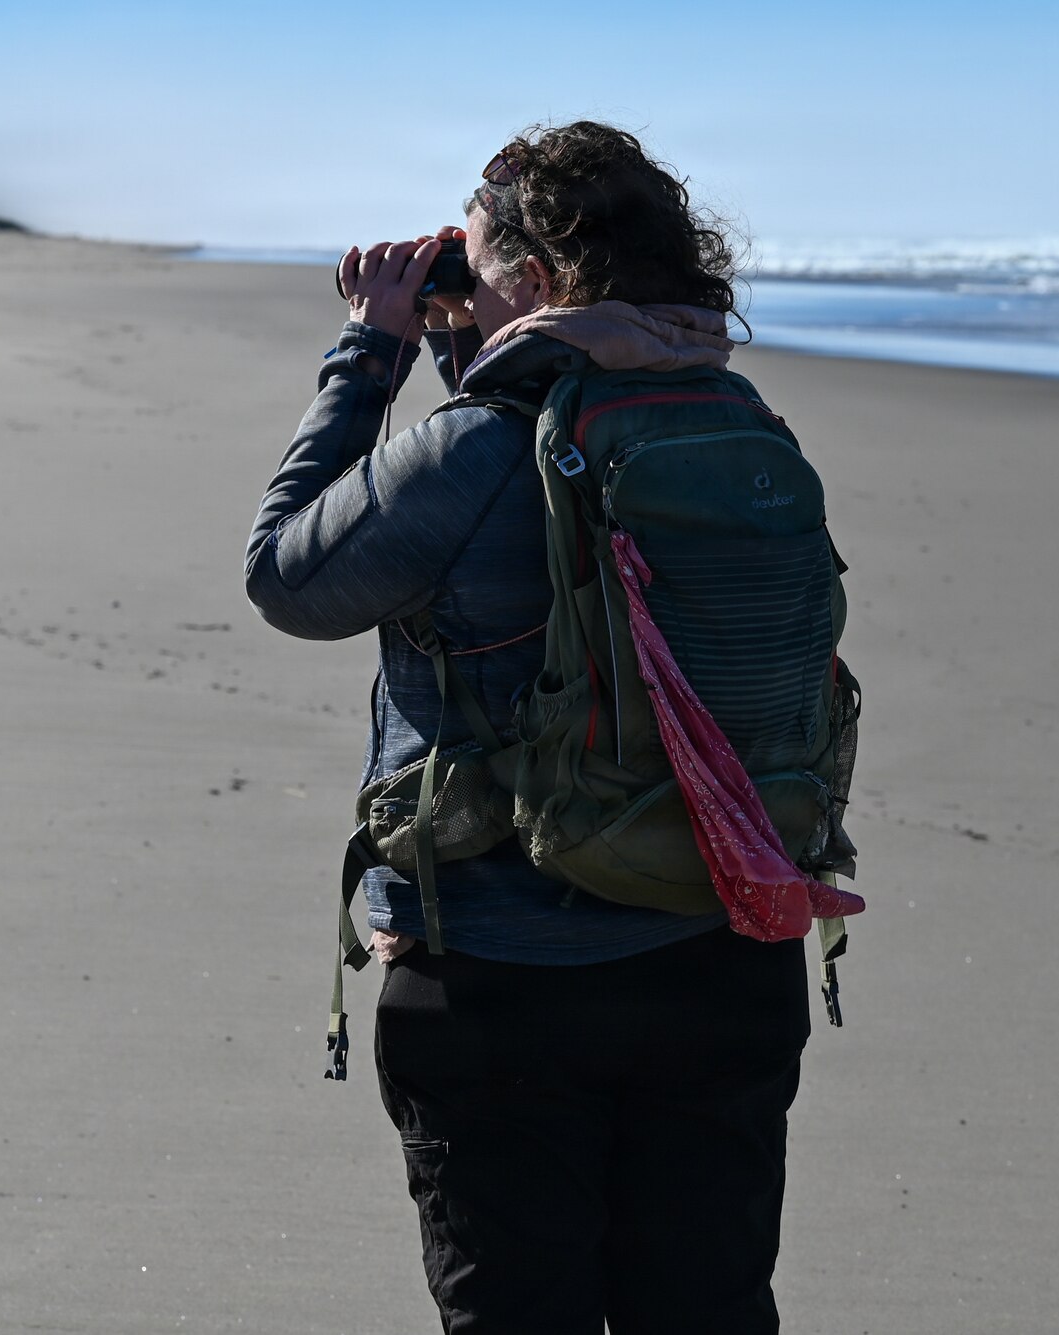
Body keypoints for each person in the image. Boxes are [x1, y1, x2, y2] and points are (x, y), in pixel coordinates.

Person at [245, 122, 811, 1333]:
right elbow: (550, 522)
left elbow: (288, 580)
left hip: (506, 976)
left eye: (473, 252)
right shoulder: (731, 416)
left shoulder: (475, 448)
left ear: (535, 281)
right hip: (722, 947)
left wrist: (367, 351)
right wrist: (472, 357)